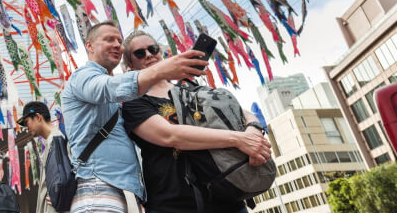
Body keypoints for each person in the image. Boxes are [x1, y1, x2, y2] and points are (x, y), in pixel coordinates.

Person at [62, 21, 209, 213]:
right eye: (109, 39)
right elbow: (106, 88)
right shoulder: (83, 76)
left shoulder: (120, 96)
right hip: (98, 188)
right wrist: (162, 69)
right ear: (89, 45)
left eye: (119, 41)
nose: (117, 45)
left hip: (121, 190)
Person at [121, 30, 271, 213]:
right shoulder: (134, 102)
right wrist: (238, 139)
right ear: (130, 64)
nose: (149, 55)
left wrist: (253, 129)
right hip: (174, 204)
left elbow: (240, 112)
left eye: (153, 48)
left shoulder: (191, 89)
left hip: (225, 197)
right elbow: (170, 136)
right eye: (140, 53)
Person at [18, 101, 66, 213]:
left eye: (27, 122)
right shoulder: (52, 141)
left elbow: (67, 178)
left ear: (38, 117)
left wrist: (60, 198)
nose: (26, 127)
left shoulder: (56, 139)